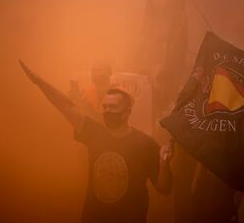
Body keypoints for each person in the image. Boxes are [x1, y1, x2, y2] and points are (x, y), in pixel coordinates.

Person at [19, 60, 173, 223]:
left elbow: (165, 188)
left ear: (127, 112)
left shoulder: (145, 144)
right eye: (104, 107)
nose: (107, 111)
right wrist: (39, 82)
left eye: (112, 108)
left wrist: (164, 164)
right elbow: (65, 106)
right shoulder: (94, 133)